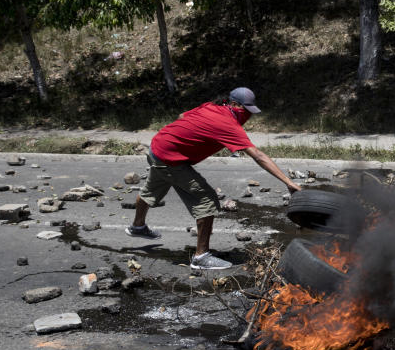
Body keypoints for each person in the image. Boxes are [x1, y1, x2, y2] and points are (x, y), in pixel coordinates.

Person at [127, 87, 302, 270]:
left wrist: (184, 137)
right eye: (245, 110)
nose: (247, 116)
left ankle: (137, 226)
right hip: (170, 159)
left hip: (157, 148)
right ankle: (201, 257)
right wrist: (288, 182)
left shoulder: (210, 107)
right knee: (207, 199)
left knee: (151, 189)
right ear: (233, 104)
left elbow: (181, 116)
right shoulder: (227, 123)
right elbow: (258, 155)